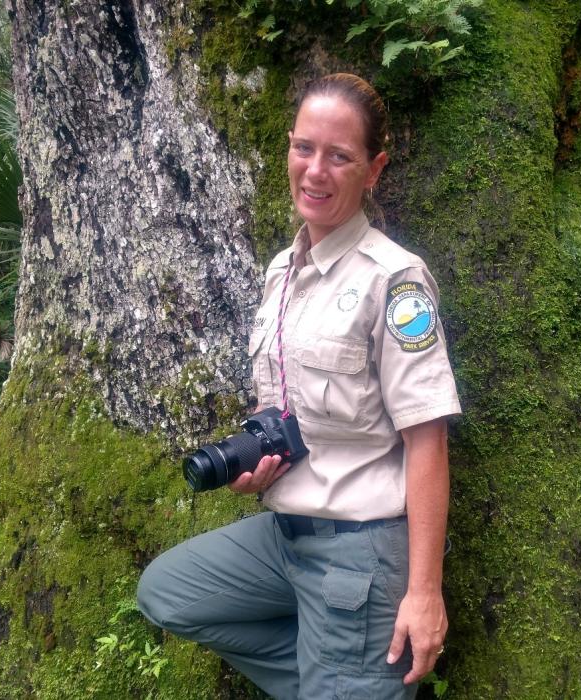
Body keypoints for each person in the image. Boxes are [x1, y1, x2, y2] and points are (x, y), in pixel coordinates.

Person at [137, 73, 461, 699]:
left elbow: (428, 443)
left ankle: (352, 678)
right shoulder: (283, 272)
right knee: (169, 593)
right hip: (284, 537)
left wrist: (424, 592)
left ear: (374, 170)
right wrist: (259, 462)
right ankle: (341, 678)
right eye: (303, 147)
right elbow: (284, 405)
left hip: (359, 553)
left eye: (339, 156)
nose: (315, 170)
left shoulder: (394, 281)